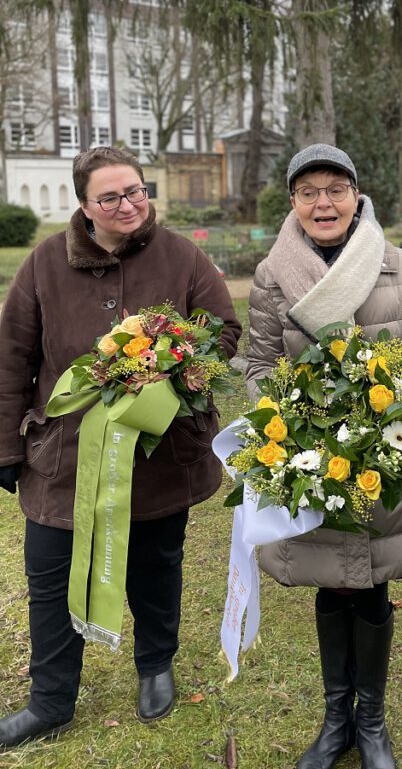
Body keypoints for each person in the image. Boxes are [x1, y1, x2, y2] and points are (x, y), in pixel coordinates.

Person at [0, 146, 241, 749]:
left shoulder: (181, 256)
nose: (129, 204)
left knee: (157, 567)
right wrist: (6, 446)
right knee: (52, 574)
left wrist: (176, 366)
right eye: (110, 197)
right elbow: (11, 358)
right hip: (66, 461)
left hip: (160, 457)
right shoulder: (44, 264)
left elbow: (224, 331)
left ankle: (155, 665)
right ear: (85, 205)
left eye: (136, 190)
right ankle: (51, 699)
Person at [246, 143, 402, 769]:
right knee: (329, 579)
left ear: (356, 197)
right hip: (312, 459)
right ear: (293, 203)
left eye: (335, 189)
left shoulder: (394, 265)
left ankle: (373, 723)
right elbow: (256, 364)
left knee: (374, 579)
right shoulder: (274, 274)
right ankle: (337, 721)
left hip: (383, 457)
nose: (323, 203)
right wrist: (294, 417)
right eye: (308, 192)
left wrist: (381, 410)